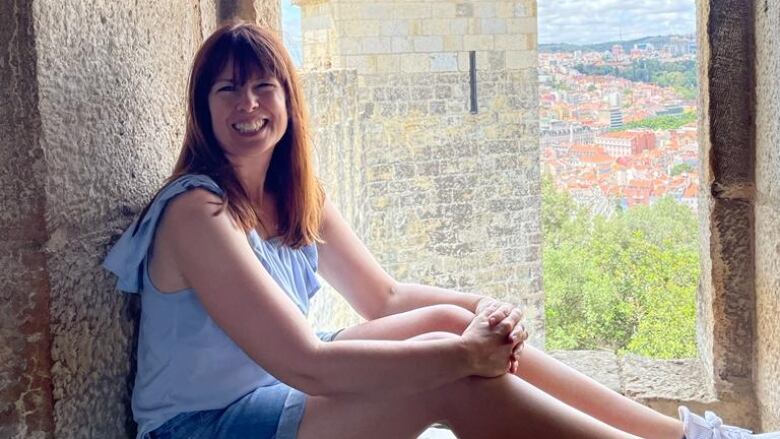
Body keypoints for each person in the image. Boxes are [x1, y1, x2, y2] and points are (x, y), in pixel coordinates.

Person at [103, 22, 779, 439]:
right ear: (202, 109)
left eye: (262, 88)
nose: (247, 106)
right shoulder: (198, 212)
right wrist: (466, 357)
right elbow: (304, 362)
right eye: (226, 91)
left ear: (287, 98)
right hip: (208, 425)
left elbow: (386, 298)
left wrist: (480, 313)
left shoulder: (292, 193)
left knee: (451, 316)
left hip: (271, 390)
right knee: (445, 377)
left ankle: (683, 434)